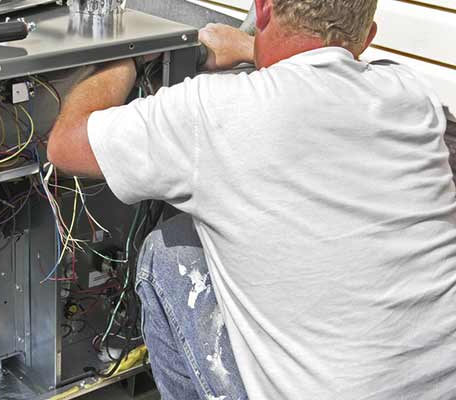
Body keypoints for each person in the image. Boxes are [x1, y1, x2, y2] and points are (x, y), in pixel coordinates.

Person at [46, 0, 456, 399]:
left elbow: (64, 147)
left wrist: (125, 60)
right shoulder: (411, 93)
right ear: (367, 38)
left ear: (261, 8)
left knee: (167, 253)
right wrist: (247, 47)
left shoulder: (215, 109)